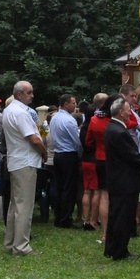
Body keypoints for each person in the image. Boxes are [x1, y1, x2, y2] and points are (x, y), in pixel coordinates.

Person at [3, 80, 47, 256]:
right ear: (19, 94)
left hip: (16, 161)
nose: (32, 95)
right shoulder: (20, 113)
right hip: (25, 162)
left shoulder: (9, 110)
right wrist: (44, 153)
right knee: (25, 206)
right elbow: (34, 139)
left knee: (15, 205)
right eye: (29, 93)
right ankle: (21, 246)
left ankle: (10, 242)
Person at [104, 96, 140, 260]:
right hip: (124, 181)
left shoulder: (113, 128)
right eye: (127, 109)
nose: (129, 112)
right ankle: (119, 251)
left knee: (116, 215)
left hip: (118, 179)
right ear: (120, 112)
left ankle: (111, 248)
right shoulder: (118, 131)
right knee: (122, 217)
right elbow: (131, 156)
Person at [86, 94, 114, 244]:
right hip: (113, 159)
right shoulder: (114, 121)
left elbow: (88, 141)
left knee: (103, 194)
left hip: (99, 158)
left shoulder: (94, 120)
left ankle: (104, 233)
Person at [49, 93, 81, 229]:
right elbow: (77, 141)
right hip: (68, 155)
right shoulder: (69, 120)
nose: (75, 106)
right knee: (69, 187)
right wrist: (80, 155)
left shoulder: (55, 118)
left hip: (58, 154)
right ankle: (65, 218)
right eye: (73, 103)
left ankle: (58, 215)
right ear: (66, 104)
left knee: (59, 186)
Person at [79, 103, 99, 231]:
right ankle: (93, 220)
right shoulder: (94, 129)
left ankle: (85, 219)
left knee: (86, 191)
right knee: (96, 191)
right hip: (95, 160)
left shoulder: (82, 129)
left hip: (85, 160)